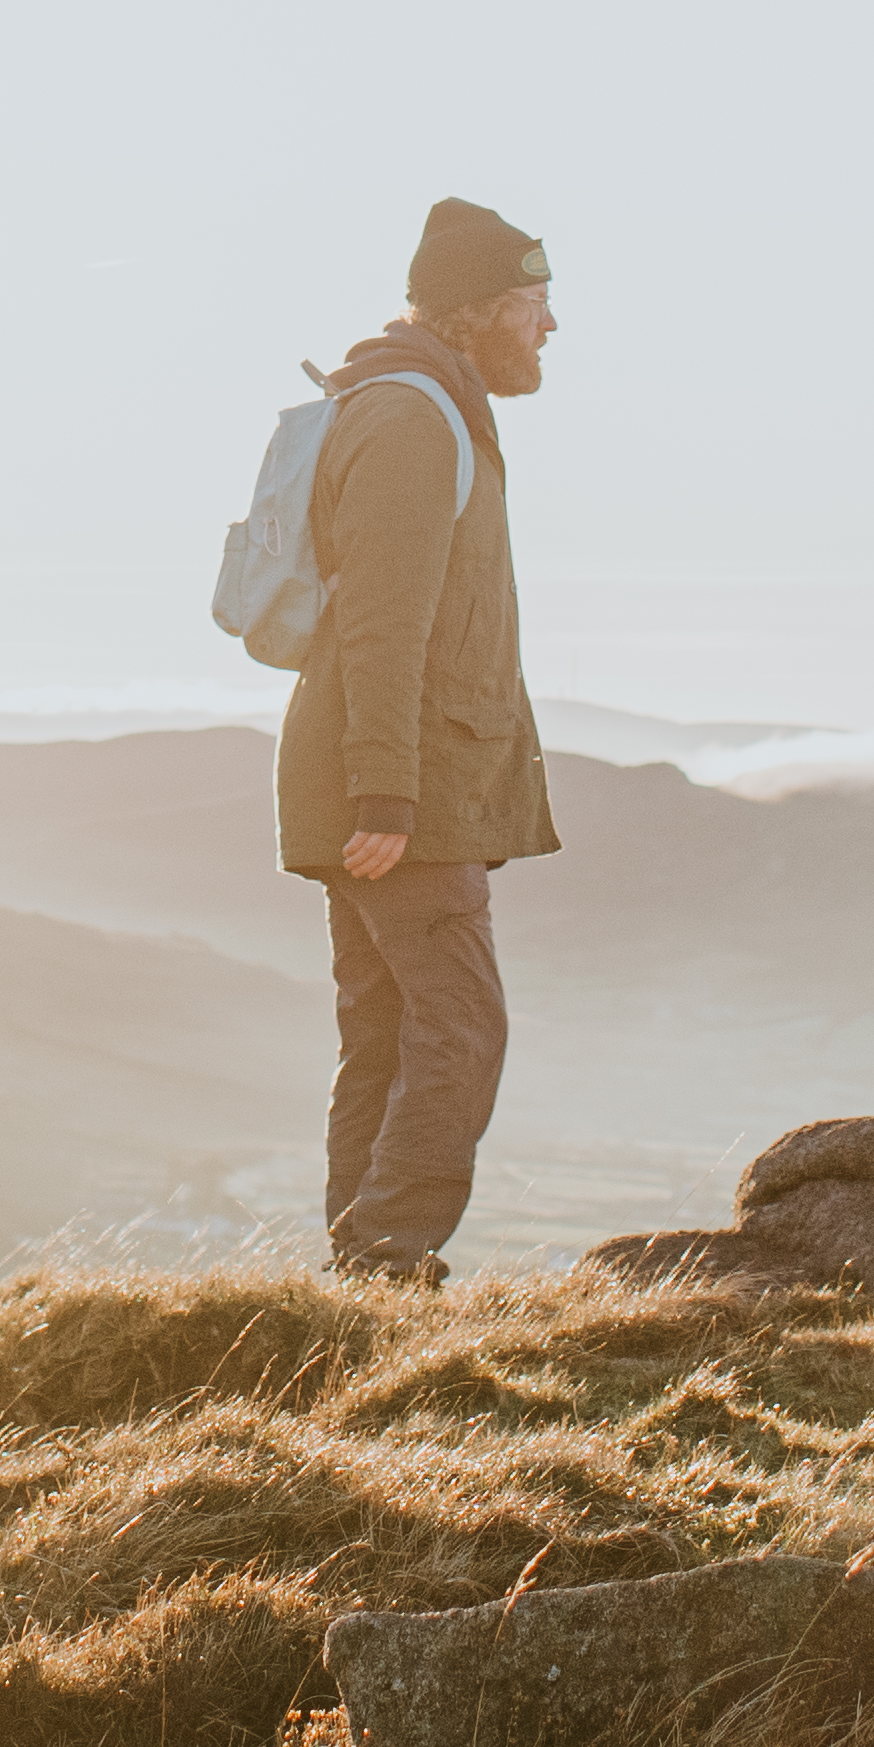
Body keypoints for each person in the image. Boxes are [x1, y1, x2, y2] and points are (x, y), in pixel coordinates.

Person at [274, 197, 562, 1282]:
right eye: (534, 304)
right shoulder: (409, 418)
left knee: (390, 1036)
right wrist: (386, 796)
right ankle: (388, 1252)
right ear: (480, 309)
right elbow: (385, 626)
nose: (547, 328)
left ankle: (361, 1276)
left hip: (396, 782)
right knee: (462, 1027)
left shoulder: (429, 406)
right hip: (398, 792)